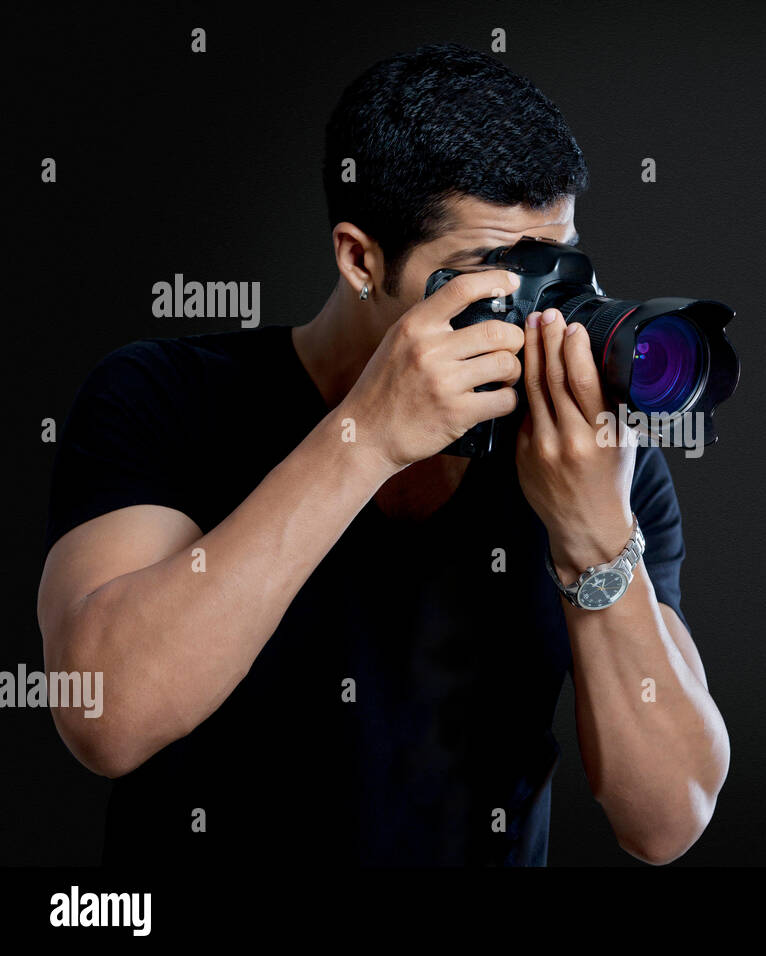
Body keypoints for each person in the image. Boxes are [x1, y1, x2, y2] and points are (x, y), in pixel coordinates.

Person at [36, 42, 729, 866]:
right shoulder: (162, 395)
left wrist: (593, 537)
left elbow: (667, 821)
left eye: (561, 264)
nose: (542, 316)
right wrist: (365, 438)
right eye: (494, 276)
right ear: (361, 259)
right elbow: (105, 718)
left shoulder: (587, 456)